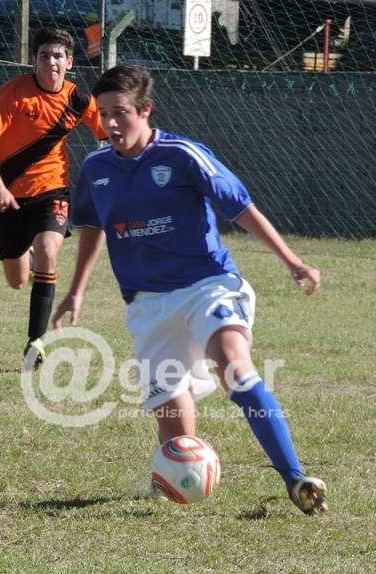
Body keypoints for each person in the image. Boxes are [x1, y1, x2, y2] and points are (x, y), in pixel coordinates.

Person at [51, 65, 327, 515]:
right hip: (148, 303)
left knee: (235, 367)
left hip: (207, 285)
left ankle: (295, 478)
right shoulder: (97, 168)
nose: (111, 123)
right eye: (103, 114)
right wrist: (76, 291)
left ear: (146, 110)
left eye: (121, 112)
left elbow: (240, 207)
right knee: (176, 429)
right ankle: (177, 476)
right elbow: (92, 227)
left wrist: (291, 261)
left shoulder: (182, 155)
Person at [0, 27, 105, 367]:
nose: (51, 62)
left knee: (48, 249)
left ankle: (36, 342)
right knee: (17, 280)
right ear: (34, 60)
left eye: (58, 56)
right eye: (44, 55)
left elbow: (108, 132)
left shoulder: (78, 99)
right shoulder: (15, 93)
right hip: (7, 198)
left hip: (52, 191)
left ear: (69, 62)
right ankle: (27, 261)